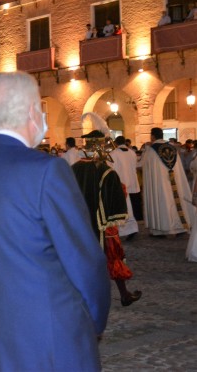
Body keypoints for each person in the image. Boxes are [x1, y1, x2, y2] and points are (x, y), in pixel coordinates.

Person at [0, 72, 110, 371]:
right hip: (53, 339)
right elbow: (85, 260)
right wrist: (94, 319)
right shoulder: (47, 171)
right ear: (30, 112)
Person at [72, 130, 142, 307]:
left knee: (81, 260)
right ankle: (124, 295)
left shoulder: (73, 169)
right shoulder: (106, 172)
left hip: (79, 225)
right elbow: (116, 200)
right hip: (103, 225)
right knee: (113, 258)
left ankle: (82, 297)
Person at [139, 127, 194, 239]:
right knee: (176, 200)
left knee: (161, 202)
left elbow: (143, 165)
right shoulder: (172, 148)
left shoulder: (151, 150)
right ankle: (180, 228)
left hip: (160, 183)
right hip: (175, 181)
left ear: (153, 136)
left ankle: (160, 231)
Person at [109, 135, 141, 238]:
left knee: (124, 209)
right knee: (130, 207)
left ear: (116, 143)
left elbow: (110, 168)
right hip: (132, 182)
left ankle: (128, 229)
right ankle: (131, 228)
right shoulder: (132, 153)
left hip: (121, 183)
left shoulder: (113, 154)